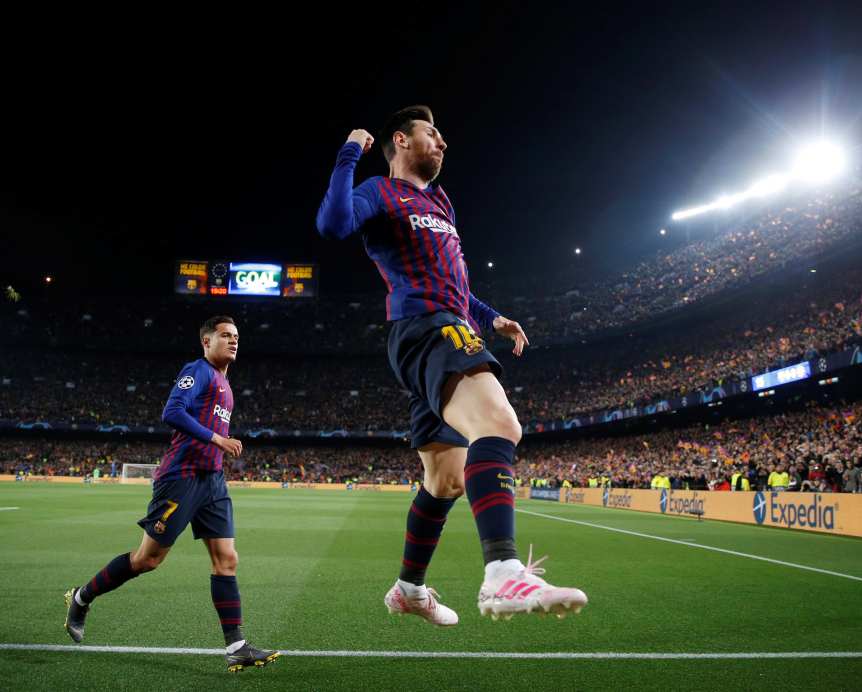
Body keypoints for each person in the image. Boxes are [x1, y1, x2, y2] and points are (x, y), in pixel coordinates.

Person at [316, 106, 586, 625]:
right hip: (426, 328)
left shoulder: (440, 201)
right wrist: (350, 150)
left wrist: (493, 316)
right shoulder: (379, 191)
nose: (442, 143)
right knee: (500, 424)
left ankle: (409, 589)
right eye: (431, 134)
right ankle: (502, 571)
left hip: (450, 322)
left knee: (445, 479)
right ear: (401, 140)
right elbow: (332, 225)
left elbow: (456, 285)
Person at [63, 317, 279, 672]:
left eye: (237, 336)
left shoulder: (226, 383)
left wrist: (217, 449)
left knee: (227, 559)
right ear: (206, 342)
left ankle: (236, 646)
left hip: (213, 482)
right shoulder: (199, 371)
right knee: (146, 560)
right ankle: (82, 596)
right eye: (225, 335)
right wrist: (217, 440)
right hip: (181, 478)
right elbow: (172, 411)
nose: (233, 341)